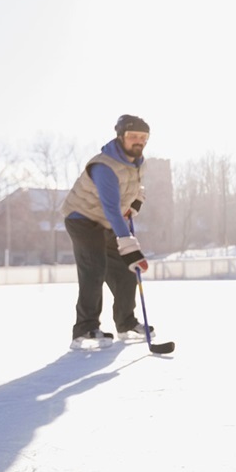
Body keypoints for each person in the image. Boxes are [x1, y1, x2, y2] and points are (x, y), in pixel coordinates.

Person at [62, 114, 154, 351]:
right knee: (94, 267)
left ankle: (126, 323)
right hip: (81, 217)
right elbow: (111, 208)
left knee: (125, 270)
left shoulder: (138, 162)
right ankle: (84, 329)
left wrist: (136, 202)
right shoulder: (104, 166)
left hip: (104, 221)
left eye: (143, 137)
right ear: (121, 136)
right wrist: (129, 246)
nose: (138, 141)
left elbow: (134, 186)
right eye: (133, 136)